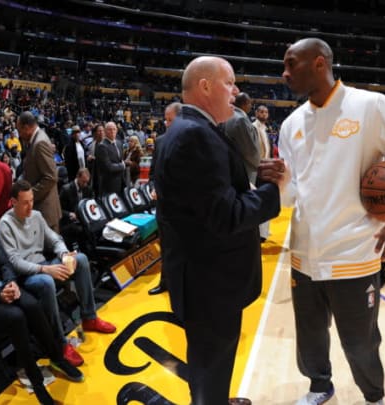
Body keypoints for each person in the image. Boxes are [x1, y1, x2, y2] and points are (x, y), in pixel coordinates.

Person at [279, 38, 385, 405]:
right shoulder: (290, 125)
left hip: (355, 255)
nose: (284, 73)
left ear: (319, 63)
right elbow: (290, 196)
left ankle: (374, 396)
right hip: (303, 255)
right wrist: (276, 184)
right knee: (309, 336)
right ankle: (319, 386)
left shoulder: (371, 107)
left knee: (360, 342)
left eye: (292, 64)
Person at [154, 56, 282, 405]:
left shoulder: (177, 132)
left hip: (196, 276)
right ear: (205, 86)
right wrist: (273, 190)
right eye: (230, 82)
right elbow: (227, 215)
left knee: (207, 360)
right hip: (212, 282)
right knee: (213, 361)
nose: (236, 90)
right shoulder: (197, 136)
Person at [0, 199, 83, 405]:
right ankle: (37, 382)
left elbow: (4, 262)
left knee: (33, 306)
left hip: (6, 287)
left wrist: (11, 282)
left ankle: (57, 357)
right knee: (17, 317)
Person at [0, 180, 117, 367]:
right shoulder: (5, 224)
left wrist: (63, 254)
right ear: (13, 202)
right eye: (25, 202)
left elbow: (55, 239)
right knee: (46, 282)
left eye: (32, 200)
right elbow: (15, 262)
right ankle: (60, 343)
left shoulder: (36, 215)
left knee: (81, 260)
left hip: (46, 265)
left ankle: (89, 317)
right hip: (27, 275)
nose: (30, 206)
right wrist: (45, 269)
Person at [147, 102, 182, 296]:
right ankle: (165, 281)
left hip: (182, 206)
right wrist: (154, 188)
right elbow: (153, 173)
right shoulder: (159, 141)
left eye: (171, 120)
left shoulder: (190, 141)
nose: (167, 124)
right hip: (163, 205)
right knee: (166, 246)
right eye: (166, 120)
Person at [16, 112, 62, 233]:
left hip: (46, 211)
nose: (19, 135)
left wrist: (30, 196)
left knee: (49, 250)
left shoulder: (39, 143)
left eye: (19, 130)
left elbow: (51, 177)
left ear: (26, 127)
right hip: (42, 210)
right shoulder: (37, 139)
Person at [221, 92, 260, 183]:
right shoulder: (241, 120)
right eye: (250, 103)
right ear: (244, 104)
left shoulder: (229, 116)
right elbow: (250, 151)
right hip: (245, 169)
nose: (251, 106)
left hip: (231, 167)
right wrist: (259, 165)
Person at [59, 168, 93, 252]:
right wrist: (69, 214)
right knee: (81, 230)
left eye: (87, 182)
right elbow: (59, 210)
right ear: (77, 177)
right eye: (83, 182)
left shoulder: (88, 189)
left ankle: (91, 253)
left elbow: (91, 205)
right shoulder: (66, 189)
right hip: (69, 221)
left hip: (82, 220)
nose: (85, 184)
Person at [252, 104, 272, 242]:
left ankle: (263, 232)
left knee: (265, 200)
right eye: (261, 111)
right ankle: (259, 233)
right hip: (257, 169)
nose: (263, 114)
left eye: (265, 112)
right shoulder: (254, 127)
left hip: (264, 168)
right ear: (256, 113)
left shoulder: (265, 129)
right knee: (259, 200)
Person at [95, 121, 126, 196]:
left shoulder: (119, 143)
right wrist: (122, 166)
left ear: (117, 130)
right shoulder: (102, 146)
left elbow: (120, 160)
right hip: (109, 184)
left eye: (114, 129)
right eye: (109, 129)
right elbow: (108, 167)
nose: (112, 131)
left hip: (121, 181)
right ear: (105, 131)